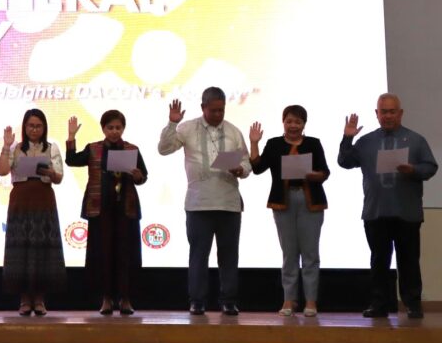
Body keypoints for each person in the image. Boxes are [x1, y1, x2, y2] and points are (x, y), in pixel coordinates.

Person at [338, 93, 437, 319]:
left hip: (407, 212)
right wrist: (347, 138)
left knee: (409, 261)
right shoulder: (366, 141)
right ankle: (379, 304)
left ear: (400, 113)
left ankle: (413, 304)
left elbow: (430, 167)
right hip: (376, 211)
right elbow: (345, 162)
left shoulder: (416, 140)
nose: (388, 116)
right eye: (384, 112)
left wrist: (413, 170)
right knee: (379, 261)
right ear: (377, 114)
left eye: (392, 111)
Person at [158, 87, 250, 316]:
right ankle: (197, 301)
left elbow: (247, 163)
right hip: (198, 203)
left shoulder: (234, 131)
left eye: (221, 110)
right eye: (213, 110)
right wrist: (172, 123)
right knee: (198, 255)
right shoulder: (187, 128)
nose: (218, 114)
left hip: (229, 203)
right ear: (203, 107)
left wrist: (241, 169)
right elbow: (164, 149)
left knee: (229, 255)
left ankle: (229, 300)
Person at [248, 105, 329, 317]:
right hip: (283, 202)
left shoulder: (313, 143)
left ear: (304, 124)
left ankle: (311, 301)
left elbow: (324, 172)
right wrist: (254, 143)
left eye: (298, 122)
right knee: (289, 253)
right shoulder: (274, 144)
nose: (293, 126)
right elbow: (257, 168)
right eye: (289, 121)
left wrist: (311, 175)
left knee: (310, 253)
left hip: (310, 201)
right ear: (283, 122)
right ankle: (289, 300)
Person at [66, 110, 147, 316]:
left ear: (123, 129)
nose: (114, 131)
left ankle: (126, 298)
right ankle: (106, 299)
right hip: (100, 209)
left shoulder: (132, 149)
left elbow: (143, 177)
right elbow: (72, 160)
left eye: (118, 127)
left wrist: (138, 175)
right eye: (110, 127)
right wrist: (71, 137)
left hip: (125, 210)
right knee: (102, 255)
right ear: (103, 129)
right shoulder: (93, 148)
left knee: (126, 254)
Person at [0, 109, 65, 316]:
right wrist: (6, 146)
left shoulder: (51, 148)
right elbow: (2, 170)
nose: (34, 130)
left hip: (44, 200)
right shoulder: (16, 148)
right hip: (21, 200)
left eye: (38, 126)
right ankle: (24, 299)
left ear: (44, 128)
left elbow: (59, 177)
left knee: (43, 249)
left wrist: (50, 173)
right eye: (30, 126)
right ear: (25, 127)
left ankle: (40, 299)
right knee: (21, 248)